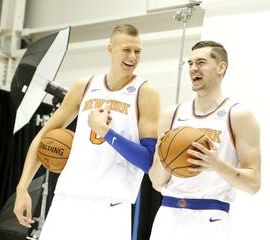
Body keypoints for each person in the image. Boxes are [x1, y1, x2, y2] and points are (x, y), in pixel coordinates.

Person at [13, 24, 160, 240]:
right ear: (111, 48)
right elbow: (43, 136)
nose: (133, 57)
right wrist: (22, 187)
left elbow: (148, 162)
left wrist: (105, 132)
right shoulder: (85, 85)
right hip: (68, 195)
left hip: (111, 201)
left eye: (138, 51)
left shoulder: (146, 92)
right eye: (126, 50)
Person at [149, 41, 261, 240]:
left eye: (201, 62)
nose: (193, 69)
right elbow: (157, 183)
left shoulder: (238, 115)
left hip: (210, 218)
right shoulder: (171, 114)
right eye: (190, 63)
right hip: (168, 213)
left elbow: (253, 184)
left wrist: (217, 165)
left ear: (221, 67)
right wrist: (163, 156)